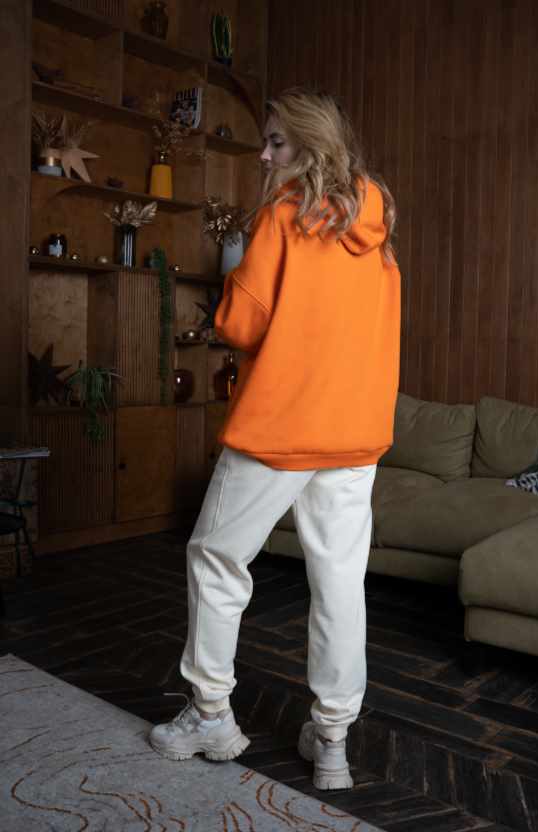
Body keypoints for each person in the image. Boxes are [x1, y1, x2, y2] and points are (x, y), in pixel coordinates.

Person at [149, 87, 401, 791]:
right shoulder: (376, 226)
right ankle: (332, 741)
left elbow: (240, 324)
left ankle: (210, 715)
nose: (263, 154)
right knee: (339, 585)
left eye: (275, 142)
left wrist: (239, 280)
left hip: (280, 428)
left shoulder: (283, 217)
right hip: (353, 435)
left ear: (310, 145)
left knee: (215, 559)